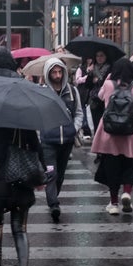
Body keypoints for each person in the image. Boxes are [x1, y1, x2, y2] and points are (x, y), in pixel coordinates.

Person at [0, 46, 45, 266]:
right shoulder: (25, 96)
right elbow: (35, 144)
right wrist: (42, 170)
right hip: (22, 174)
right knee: (20, 226)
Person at [91, 58, 133, 215]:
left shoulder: (109, 84)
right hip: (131, 133)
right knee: (131, 164)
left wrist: (108, 79)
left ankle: (114, 203)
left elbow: (100, 97)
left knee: (112, 167)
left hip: (109, 133)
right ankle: (127, 193)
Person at [40, 58, 84, 223]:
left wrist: (74, 128)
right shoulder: (43, 92)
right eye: (54, 72)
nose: (57, 75)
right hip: (48, 141)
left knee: (60, 175)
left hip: (66, 141)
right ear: (48, 74)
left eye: (60, 72)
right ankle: (54, 204)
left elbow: (79, 112)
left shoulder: (72, 91)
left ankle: (53, 196)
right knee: (51, 173)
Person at [87, 50, 112, 133]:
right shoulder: (92, 68)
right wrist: (90, 75)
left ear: (106, 57)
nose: (99, 58)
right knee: (96, 125)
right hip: (94, 100)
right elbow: (87, 85)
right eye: (97, 56)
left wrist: (98, 81)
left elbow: (110, 83)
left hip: (106, 100)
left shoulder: (110, 68)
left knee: (106, 125)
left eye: (101, 56)